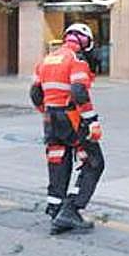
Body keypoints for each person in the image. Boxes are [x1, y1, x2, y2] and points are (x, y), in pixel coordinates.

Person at [29, 23, 105, 234]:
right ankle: (71, 209)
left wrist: (47, 111)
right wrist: (92, 121)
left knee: (58, 160)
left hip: (50, 118)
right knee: (94, 161)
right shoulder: (76, 60)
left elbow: (35, 94)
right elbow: (79, 91)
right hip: (71, 118)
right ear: (84, 41)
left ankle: (56, 210)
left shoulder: (45, 60)